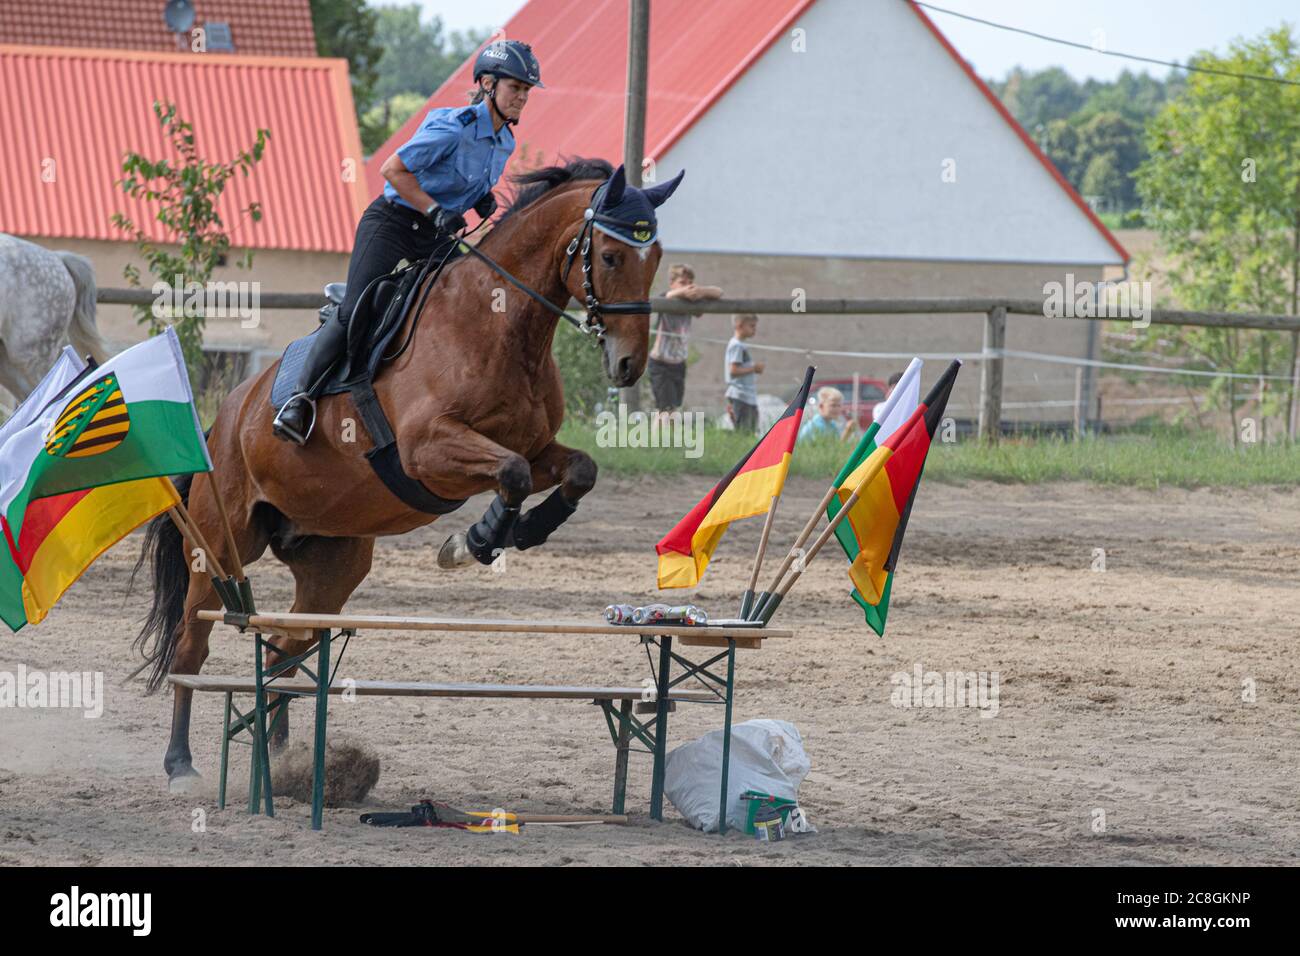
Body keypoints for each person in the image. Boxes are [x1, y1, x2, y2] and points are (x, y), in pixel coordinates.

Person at [273, 39, 544, 445]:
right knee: (356, 309)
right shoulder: (454, 127)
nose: (522, 97)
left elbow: (464, 186)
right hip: (393, 224)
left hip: (435, 236)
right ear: (488, 84)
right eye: (515, 88)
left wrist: (479, 199)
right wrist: (435, 209)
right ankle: (299, 400)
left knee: (469, 297)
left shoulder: (504, 141)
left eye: (526, 91)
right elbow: (392, 169)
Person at [648, 264, 721, 416]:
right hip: (660, 363)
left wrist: (700, 291)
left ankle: (671, 438)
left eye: (690, 283)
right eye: (682, 283)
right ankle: (658, 439)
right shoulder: (666, 298)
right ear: (672, 283)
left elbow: (719, 292)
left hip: (678, 363)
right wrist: (681, 292)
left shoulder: (692, 304)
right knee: (663, 409)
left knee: (674, 408)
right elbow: (665, 297)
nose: (687, 287)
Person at [724, 313, 764, 432]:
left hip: (747, 396)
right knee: (744, 431)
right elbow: (733, 370)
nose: (754, 329)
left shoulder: (741, 345)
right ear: (740, 326)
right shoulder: (736, 346)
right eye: (751, 326)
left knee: (751, 430)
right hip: (741, 395)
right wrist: (754, 369)